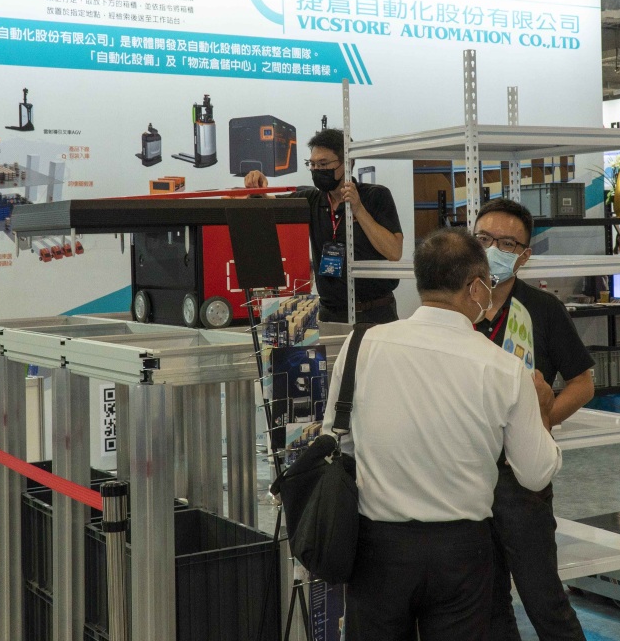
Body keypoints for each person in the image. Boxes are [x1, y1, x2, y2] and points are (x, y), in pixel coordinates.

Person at [323, 228, 562, 641]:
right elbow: (535, 473)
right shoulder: (504, 368)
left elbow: (338, 440)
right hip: (462, 551)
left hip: (377, 546)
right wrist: (542, 412)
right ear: (475, 288)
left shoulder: (361, 344)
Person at [472, 198, 594, 641]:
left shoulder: (542, 309)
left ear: (524, 255)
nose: (493, 250)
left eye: (507, 243)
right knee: (486, 601)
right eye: (483, 239)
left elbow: (583, 383)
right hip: (465, 473)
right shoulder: (454, 307)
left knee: (543, 598)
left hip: (521, 480)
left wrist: (542, 424)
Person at [245, 128, 403, 323]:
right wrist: (258, 187)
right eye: (312, 164)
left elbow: (394, 251)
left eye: (323, 164)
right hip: (329, 313)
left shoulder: (375, 196)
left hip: (374, 313)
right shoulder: (312, 199)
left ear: (348, 163)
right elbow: (267, 204)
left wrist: (358, 209)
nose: (317, 170)